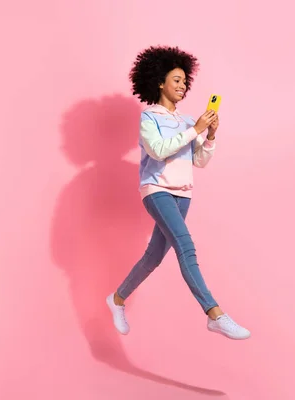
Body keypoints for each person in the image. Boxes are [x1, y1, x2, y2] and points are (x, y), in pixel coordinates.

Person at [105, 45, 251, 340]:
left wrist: (209, 135)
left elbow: (200, 161)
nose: (183, 86)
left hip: (183, 193)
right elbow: (158, 151)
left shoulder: (187, 121)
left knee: (153, 257)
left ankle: (117, 299)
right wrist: (195, 129)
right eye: (176, 80)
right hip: (157, 190)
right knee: (186, 247)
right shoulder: (150, 117)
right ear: (159, 81)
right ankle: (215, 314)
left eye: (185, 81)